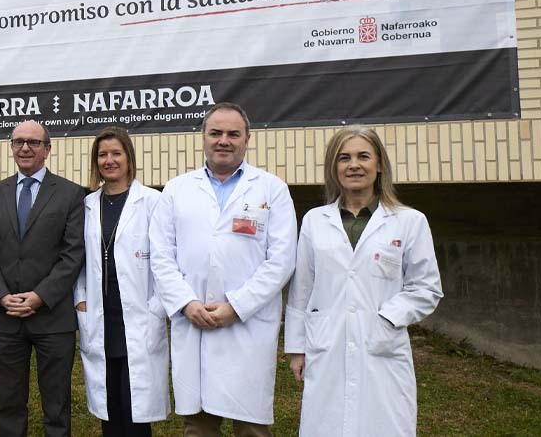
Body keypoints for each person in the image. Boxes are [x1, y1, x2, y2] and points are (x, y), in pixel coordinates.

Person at [284, 126, 443, 437]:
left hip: (381, 344)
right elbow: (302, 289)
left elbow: (426, 288)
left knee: (382, 424)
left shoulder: (409, 221)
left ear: (379, 164)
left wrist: (387, 318)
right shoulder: (316, 220)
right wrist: (296, 348)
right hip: (326, 343)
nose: (353, 165)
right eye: (344, 158)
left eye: (363, 157)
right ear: (334, 167)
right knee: (326, 425)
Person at [150, 102, 297, 437]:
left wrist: (237, 306)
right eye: (216, 133)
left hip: (248, 325)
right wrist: (186, 303)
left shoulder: (271, 189)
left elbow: (281, 260)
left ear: (247, 139)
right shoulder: (177, 189)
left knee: (251, 427)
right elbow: (161, 255)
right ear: (203, 137)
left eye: (233, 134)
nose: (224, 141)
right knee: (199, 427)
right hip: (193, 321)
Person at [0, 120, 86, 437]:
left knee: (57, 407)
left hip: (52, 318)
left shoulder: (70, 194)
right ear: (11, 147)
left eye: (33, 142)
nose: (25, 148)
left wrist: (39, 297)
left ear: (47, 149)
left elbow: (72, 255)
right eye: (18, 141)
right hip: (5, 318)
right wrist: (0, 295)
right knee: (8, 405)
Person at [74, 127, 169, 436]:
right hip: (101, 317)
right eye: (102, 155)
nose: (109, 160)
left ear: (129, 158)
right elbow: (78, 258)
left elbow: (166, 260)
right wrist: (80, 298)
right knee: (110, 404)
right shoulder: (88, 205)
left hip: (139, 316)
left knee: (135, 409)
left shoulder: (152, 201)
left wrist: (157, 306)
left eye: (116, 153)